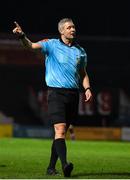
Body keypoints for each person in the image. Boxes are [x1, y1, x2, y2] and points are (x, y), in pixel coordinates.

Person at [12, 18, 92, 177]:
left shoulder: (80, 51)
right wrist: (22, 36)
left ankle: (50, 167)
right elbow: (31, 46)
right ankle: (65, 165)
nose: (72, 29)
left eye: (73, 27)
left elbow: (83, 73)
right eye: (69, 27)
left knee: (60, 134)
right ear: (61, 31)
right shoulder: (51, 44)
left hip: (73, 94)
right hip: (56, 93)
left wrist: (87, 88)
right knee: (60, 130)